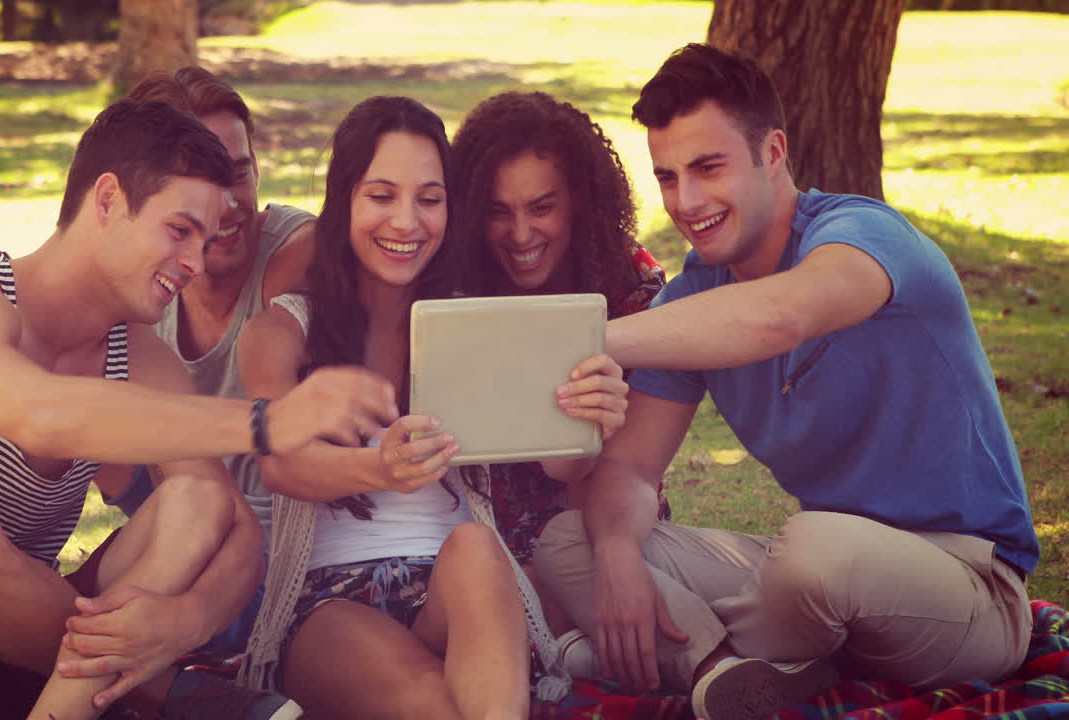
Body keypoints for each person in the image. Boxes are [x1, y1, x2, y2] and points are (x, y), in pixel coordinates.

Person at [0, 99, 399, 720]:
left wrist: (180, 620)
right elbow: (40, 413)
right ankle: (161, 691)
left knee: (198, 500)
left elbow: (233, 527)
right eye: (179, 230)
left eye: (205, 239)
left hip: (24, 664)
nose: (195, 264)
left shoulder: (140, 357)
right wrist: (268, 422)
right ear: (107, 200)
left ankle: (114, 694)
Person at [534, 43, 1039, 720]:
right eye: (668, 176)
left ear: (772, 153)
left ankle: (674, 652)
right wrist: (622, 554)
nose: (687, 201)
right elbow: (626, 471)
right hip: (821, 586)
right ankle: (723, 671)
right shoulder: (696, 300)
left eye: (708, 167)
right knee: (571, 541)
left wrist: (593, 337)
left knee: (813, 548)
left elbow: (779, 318)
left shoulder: (863, 238)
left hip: (967, 588)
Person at [232, 95, 628, 720]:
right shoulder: (284, 332)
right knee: (434, 703)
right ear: (345, 203)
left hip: (458, 593)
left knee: (476, 544)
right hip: (331, 601)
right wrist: (380, 471)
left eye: (429, 198)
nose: (407, 222)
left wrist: (589, 418)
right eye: (382, 196)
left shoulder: (471, 321)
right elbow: (283, 466)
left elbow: (560, 464)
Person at [92, 66, 316, 658]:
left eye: (239, 173)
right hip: (185, 531)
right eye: (199, 180)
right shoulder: (145, 285)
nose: (227, 204)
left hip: (281, 563)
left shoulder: (293, 254)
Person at [450, 90, 666, 672]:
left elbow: (633, 470)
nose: (520, 234)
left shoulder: (632, 289)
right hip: (479, 536)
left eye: (541, 207)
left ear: (580, 200)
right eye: (498, 211)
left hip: (602, 519)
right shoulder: (453, 292)